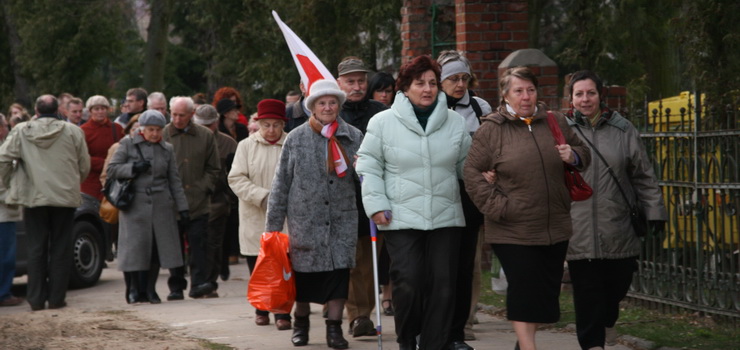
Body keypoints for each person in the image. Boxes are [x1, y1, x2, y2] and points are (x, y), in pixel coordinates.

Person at [463, 66, 591, 350]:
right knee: (523, 288)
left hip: (554, 223)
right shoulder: (492, 129)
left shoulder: (555, 121)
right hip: (512, 228)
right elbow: (472, 172)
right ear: (505, 94)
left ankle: (524, 345)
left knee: (543, 294)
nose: (525, 96)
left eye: (530, 90)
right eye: (518, 91)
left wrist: (574, 156)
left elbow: (584, 154)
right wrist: (499, 207)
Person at [356, 55, 472, 350]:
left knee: (444, 287)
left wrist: (488, 174)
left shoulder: (455, 122)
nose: (428, 89)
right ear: (405, 87)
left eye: (433, 83)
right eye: (420, 83)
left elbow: (466, 167)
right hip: (400, 217)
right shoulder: (382, 122)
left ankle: (434, 344)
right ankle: (408, 340)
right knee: (409, 282)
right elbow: (368, 165)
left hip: (445, 217)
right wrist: (376, 204)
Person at [565, 70, 667, 350]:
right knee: (587, 293)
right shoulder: (562, 130)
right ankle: (593, 344)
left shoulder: (624, 130)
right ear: (571, 98)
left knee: (616, 287)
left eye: (591, 93)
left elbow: (643, 175)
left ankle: (608, 321)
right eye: (579, 94)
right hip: (579, 227)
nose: (585, 99)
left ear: (601, 95)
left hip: (617, 225)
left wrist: (655, 211)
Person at [265, 79, 363, 349]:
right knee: (304, 279)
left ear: (339, 105)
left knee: (339, 275)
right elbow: (281, 183)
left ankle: (334, 330)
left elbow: (366, 177)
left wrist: (362, 168)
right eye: (322, 103)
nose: (328, 107)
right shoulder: (296, 138)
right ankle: (301, 323)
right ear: (312, 107)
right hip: (305, 223)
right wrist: (272, 226)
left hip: (342, 220)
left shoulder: (352, 136)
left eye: (333, 102)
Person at [0, 95, 90, 311]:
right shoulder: (73, 131)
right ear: (58, 110)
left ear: (36, 110)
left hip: (34, 198)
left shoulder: (22, 130)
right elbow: (84, 165)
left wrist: (10, 183)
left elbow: (3, 159)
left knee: (36, 248)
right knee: (61, 248)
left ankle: (36, 298)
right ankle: (57, 298)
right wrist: (72, 181)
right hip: (64, 198)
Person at [437, 50, 492, 348]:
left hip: (470, 193)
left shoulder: (480, 106)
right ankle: (431, 329)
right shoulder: (428, 105)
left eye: (464, 78)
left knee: (463, 267)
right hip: (437, 193)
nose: (460, 84)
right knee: (437, 267)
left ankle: (457, 332)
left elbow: (492, 146)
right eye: (453, 79)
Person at [107, 110, 189, 304]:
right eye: (151, 130)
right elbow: (112, 169)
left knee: (155, 250)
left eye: (158, 130)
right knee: (135, 250)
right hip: (134, 204)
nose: (154, 134)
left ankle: (151, 290)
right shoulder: (128, 143)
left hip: (161, 205)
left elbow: (174, 180)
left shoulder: (166, 148)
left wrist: (183, 207)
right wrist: (133, 168)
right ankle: (134, 290)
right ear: (142, 129)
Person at [335, 56, 388, 337]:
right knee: (353, 262)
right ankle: (358, 316)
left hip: (375, 194)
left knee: (371, 261)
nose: (356, 86)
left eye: (361, 81)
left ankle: (366, 310)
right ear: (339, 83)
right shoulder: (333, 111)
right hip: (343, 196)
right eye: (350, 81)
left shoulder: (381, 111)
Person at [228, 99, 292, 331]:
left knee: (283, 266)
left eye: (276, 125)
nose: (271, 130)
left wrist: (285, 200)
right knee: (258, 265)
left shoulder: (291, 144)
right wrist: (262, 196)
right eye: (266, 125)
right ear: (258, 124)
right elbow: (236, 178)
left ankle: (283, 312)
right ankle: (261, 308)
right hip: (255, 215)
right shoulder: (246, 146)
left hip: (286, 217)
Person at [163, 96, 221, 300]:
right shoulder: (163, 135)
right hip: (172, 203)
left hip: (198, 202)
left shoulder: (205, 135)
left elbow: (213, 168)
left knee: (199, 245)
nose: (177, 119)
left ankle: (198, 284)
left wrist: (203, 187)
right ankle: (176, 287)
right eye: (174, 114)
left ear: (191, 115)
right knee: (175, 247)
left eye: (182, 115)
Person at [191, 104, 237, 297]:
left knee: (213, 244)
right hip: (194, 200)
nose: (205, 128)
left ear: (216, 123)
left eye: (209, 125)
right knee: (197, 243)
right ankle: (197, 282)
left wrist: (229, 199)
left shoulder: (228, 143)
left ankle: (209, 283)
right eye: (201, 124)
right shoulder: (191, 140)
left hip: (218, 202)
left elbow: (235, 175)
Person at [80, 95, 124, 201]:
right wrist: (104, 163)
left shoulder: (117, 128)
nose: (100, 111)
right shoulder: (83, 131)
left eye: (103, 108)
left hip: (112, 180)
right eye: (96, 109)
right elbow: (80, 156)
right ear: (90, 111)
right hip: (91, 182)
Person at [0, 113, 23, 308]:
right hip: (3, 213)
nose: (8, 129)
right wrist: (13, 199)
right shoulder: (2, 151)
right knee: (5, 256)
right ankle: (3, 294)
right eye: (6, 125)